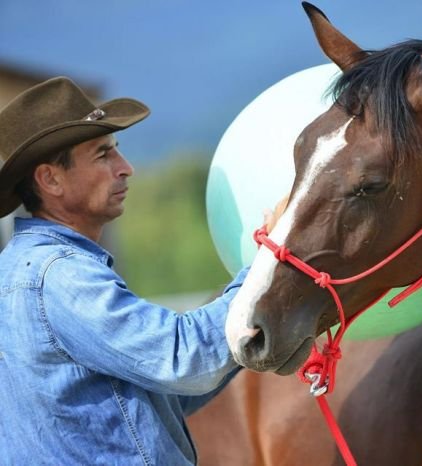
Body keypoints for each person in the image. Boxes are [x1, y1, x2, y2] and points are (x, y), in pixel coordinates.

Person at [0, 77, 273, 464]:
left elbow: (160, 391)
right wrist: (271, 265)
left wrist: (245, 314)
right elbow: (184, 361)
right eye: (102, 155)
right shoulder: (60, 275)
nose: (125, 168)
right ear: (50, 179)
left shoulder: (25, 270)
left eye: (118, 151)